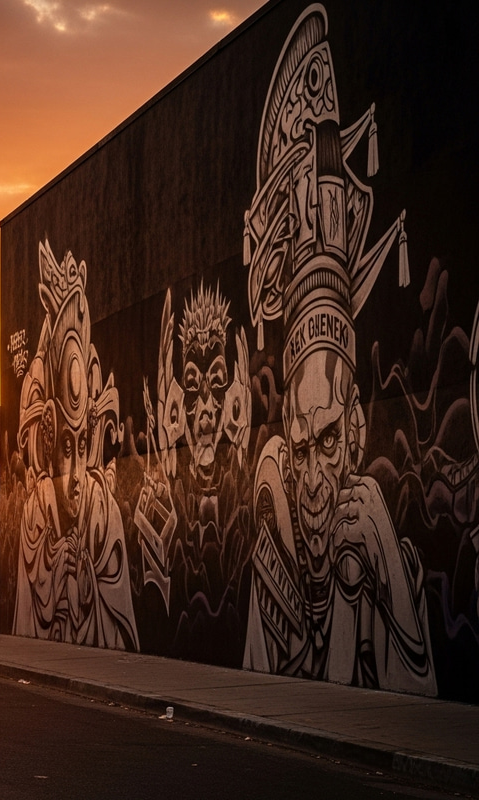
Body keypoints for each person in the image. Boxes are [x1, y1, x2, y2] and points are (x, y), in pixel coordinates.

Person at [241, 5, 435, 694]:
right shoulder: (273, 569)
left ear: (355, 430)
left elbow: (418, 697)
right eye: (300, 448)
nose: (316, 481)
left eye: (327, 443)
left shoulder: (392, 565)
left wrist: (397, 599)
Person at [13, 239, 139, 651]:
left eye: (83, 444)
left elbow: (118, 616)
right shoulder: (38, 505)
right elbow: (32, 595)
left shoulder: (103, 510)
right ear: (47, 441)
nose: (77, 471)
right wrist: (53, 566)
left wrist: (84, 578)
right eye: (66, 447)